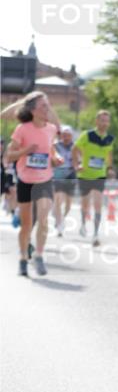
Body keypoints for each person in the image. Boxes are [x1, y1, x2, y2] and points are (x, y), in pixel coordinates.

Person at [4, 92, 62, 276]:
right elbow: (9, 156)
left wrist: (56, 157)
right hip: (25, 181)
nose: (48, 109)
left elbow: (50, 149)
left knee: (44, 221)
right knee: (26, 225)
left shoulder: (51, 129)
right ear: (33, 110)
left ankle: (39, 255)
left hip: (44, 181)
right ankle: (22, 257)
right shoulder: (23, 129)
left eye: (48, 105)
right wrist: (26, 150)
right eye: (44, 106)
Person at [73, 111, 115, 247]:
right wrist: (76, 164)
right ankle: (83, 224)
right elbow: (75, 149)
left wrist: (109, 168)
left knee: (98, 203)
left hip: (99, 175)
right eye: (102, 120)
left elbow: (109, 154)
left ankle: (96, 234)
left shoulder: (109, 138)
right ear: (96, 121)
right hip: (85, 175)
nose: (104, 123)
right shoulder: (87, 135)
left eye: (107, 121)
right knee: (85, 204)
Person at [52, 125, 77, 236]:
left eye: (68, 135)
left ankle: (61, 217)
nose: (66, 137)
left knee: (68, 204)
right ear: (61, 135)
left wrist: (79, 165)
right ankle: (60, 223)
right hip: (58, 175)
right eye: (64, 135)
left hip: (71, 175)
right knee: (59, 200)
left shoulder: (75, 147)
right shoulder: (55, 146)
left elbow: (80, 160)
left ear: (71, 136)